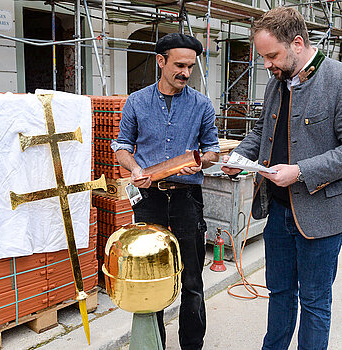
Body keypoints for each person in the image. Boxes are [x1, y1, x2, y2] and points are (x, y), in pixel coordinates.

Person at [221, 7, 342, 349]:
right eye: (263, 57)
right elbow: (262, 130)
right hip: (277, 211)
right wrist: (239, 157)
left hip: (321, 217)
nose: (266, 65)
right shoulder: (278, 82)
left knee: (315, 302)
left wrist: (301, 171)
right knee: (279, 293)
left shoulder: (339, 80)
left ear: (298, 43)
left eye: (271, 55)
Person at [112, 33, 220, 350]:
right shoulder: (136, 102)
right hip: (149, 199)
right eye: (179, 65)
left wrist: (199, 162)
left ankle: (191, 345)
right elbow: (121, 146)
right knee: (153, 277)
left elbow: (213, 150)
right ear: (161, 61)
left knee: (192, 281)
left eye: (190, 66)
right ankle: (155, 344)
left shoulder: (201, 105)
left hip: (187, 199)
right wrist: (134, 169)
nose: (186, 73)